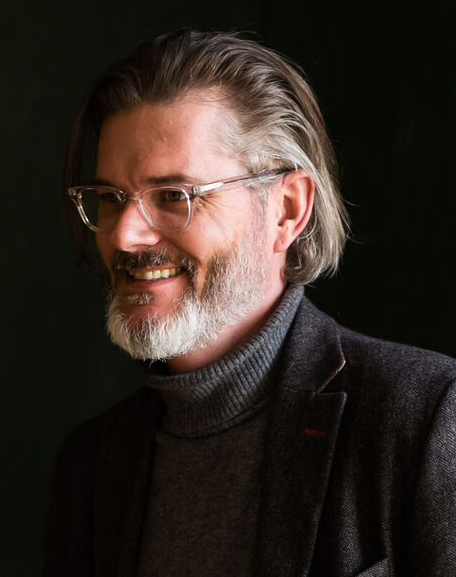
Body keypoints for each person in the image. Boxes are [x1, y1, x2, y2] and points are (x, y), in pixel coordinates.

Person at [43, 29, 456, 577]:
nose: (123, 235)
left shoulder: (425, 418)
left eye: (174, 196)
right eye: (111, 198)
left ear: (287, 210)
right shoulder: (90, 465)